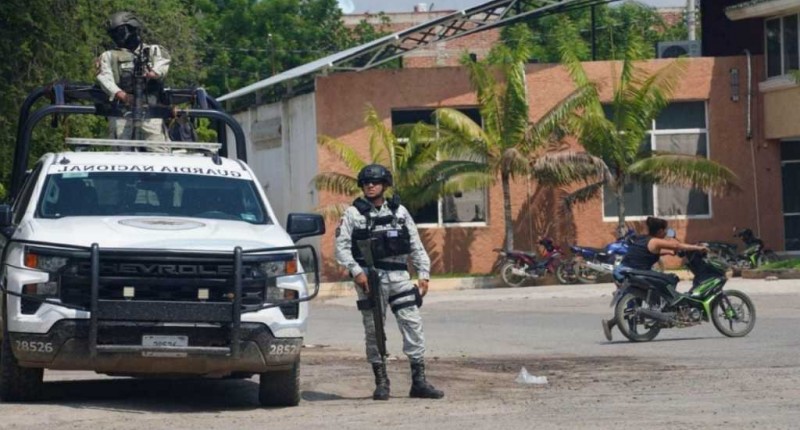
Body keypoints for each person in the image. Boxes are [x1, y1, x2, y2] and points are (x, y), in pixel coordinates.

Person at [334, 164, 444, 401]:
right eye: (366, 183)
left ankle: (419, 382)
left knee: (413, 325)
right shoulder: (353, 214)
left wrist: (423, 274)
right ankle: (382, 382)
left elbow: (415, 244)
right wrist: (357, 272)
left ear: (384, 185)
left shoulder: (400, 212)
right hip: (371, 280)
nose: (370, 186)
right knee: (374, 330)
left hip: (400, 278)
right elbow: (341, 248)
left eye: (375, 182)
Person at [601, 217, 708, 341]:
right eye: (665, 230)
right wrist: (698, 248)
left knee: (636, 300)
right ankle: (666, 307)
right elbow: (676, 245)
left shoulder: (643, 239)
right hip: (634, 272)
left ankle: (619, 325)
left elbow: (645, 252)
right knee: (670, 279)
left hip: (622, 271)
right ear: (660, 231)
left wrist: (666, 253)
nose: (666, 233)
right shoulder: (655, 241)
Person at [95, 11, 171, 143]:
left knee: (157, 149)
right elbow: (104, 78)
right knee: (122, 151)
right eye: (114, 33)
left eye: (120, 31)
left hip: (151, 112)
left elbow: (163, 63)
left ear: (132, 28)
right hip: (122, 112)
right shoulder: (109, 56)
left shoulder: (152, 51)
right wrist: (122, 95)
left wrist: (153, 73)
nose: (117, 36)